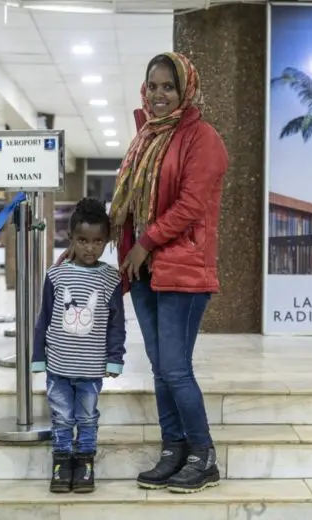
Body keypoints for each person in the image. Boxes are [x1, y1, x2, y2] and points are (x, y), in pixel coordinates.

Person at [111, 51, 229, 493]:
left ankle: (203, 455)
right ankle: (173, 449)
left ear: (186, 90)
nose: (159, 95)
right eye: (153, 86)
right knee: (160, 368)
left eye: (169, 87)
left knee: (176, 368)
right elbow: (126, 204)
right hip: (144, 270)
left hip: (183, 268)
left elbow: (191, 205)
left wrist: (145, 242)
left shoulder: (203, 138)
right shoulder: (144, 138)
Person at [32, 197, 126, 494]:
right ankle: (62, 462)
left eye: (98, 241)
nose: (90, 247)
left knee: (87, 417)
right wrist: (38, 357)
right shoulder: (56, 274)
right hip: (58, 366)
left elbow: (116, 324)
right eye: (82, 240)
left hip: (91, 368)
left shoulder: (111, 278)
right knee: (61, 417)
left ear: (106, 241)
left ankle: (85, 462)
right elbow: (43, 318)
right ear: (70, 238)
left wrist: (115, 358)